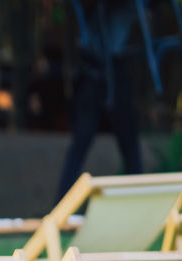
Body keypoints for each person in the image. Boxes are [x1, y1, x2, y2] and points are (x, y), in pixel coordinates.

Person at [56, 0, 143, 199]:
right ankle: (59, 207)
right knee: (80, 144)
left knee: (130, 145)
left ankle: (138, 200)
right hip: (93, 74)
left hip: (116, 72)